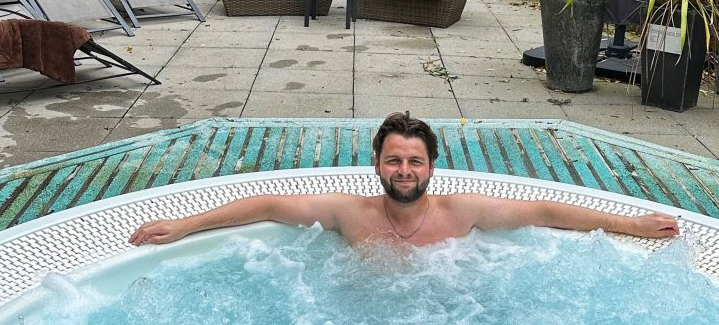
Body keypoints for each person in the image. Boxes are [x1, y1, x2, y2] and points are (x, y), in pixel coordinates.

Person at [130, 113, 680, 248]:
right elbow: (268, 203)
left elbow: (546, 211)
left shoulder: (461, 212)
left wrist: (630, 224)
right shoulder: (350, 214)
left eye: (415, 162)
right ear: (376, 164)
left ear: (431, 168)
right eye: (394, 161)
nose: (404, 172)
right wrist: (184, 225)